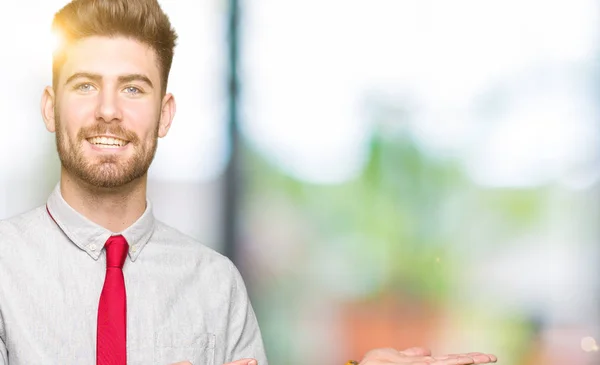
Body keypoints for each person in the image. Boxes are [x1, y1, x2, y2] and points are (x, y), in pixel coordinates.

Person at [0, 0, 498, 364]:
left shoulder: (217, 286)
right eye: (85, 85)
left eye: (133, 88)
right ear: (50, 106)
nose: (108, 111)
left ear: (165, 114)